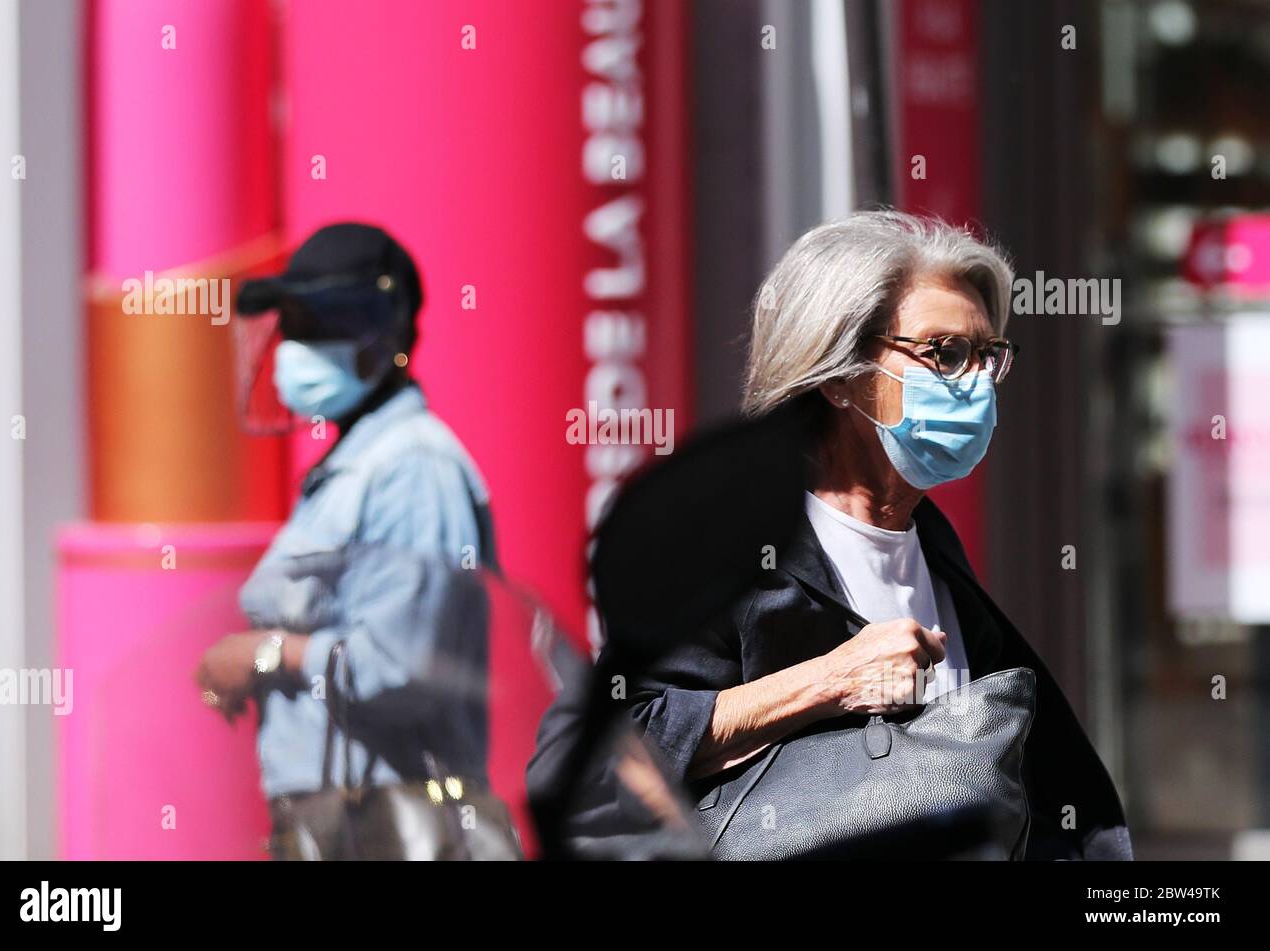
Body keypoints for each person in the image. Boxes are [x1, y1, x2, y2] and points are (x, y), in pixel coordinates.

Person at [611, 211, 1131, 859]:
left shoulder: (938, 556)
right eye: (944, 353)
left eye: (986, 354)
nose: (974, 383)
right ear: (837, 375)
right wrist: (829, 680)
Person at [193, 222, 506, 859]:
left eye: (319, 322)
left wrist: (266, 653)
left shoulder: (413, 466)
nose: (294, 346)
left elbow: (403, 666)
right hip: (339, 826)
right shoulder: (354, 466)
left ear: (383, 334)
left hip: (396, 826)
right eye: (292, 323)